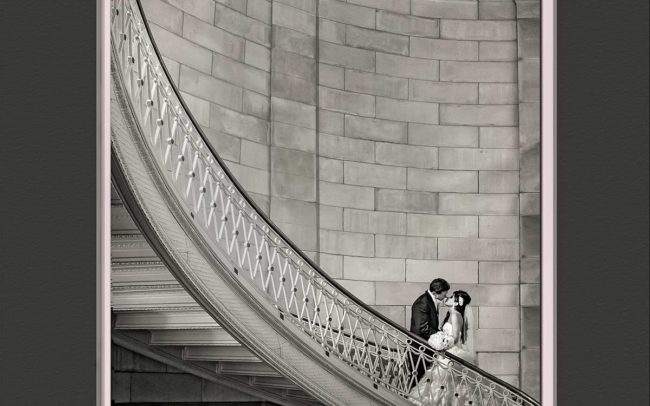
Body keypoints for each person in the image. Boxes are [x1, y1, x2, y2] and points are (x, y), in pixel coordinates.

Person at [408, 290, 476, 406]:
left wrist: (442, 343)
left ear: (457, 302)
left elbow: (454, 338)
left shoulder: (455, 315)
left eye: (451, 297)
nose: (447, 298)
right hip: (445, 353)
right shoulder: (451, 313)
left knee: (443, 384)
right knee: (439, 384)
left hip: (450, 354)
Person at [409, 278, 451, 385]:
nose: (446, 296)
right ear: (435, 293)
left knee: (424, 380)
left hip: (426, 349)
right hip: (419, 349)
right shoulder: (422, 303)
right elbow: (422, 327)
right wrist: (440, 337)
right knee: (417, 380)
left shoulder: (430, 300)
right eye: (444, 294)